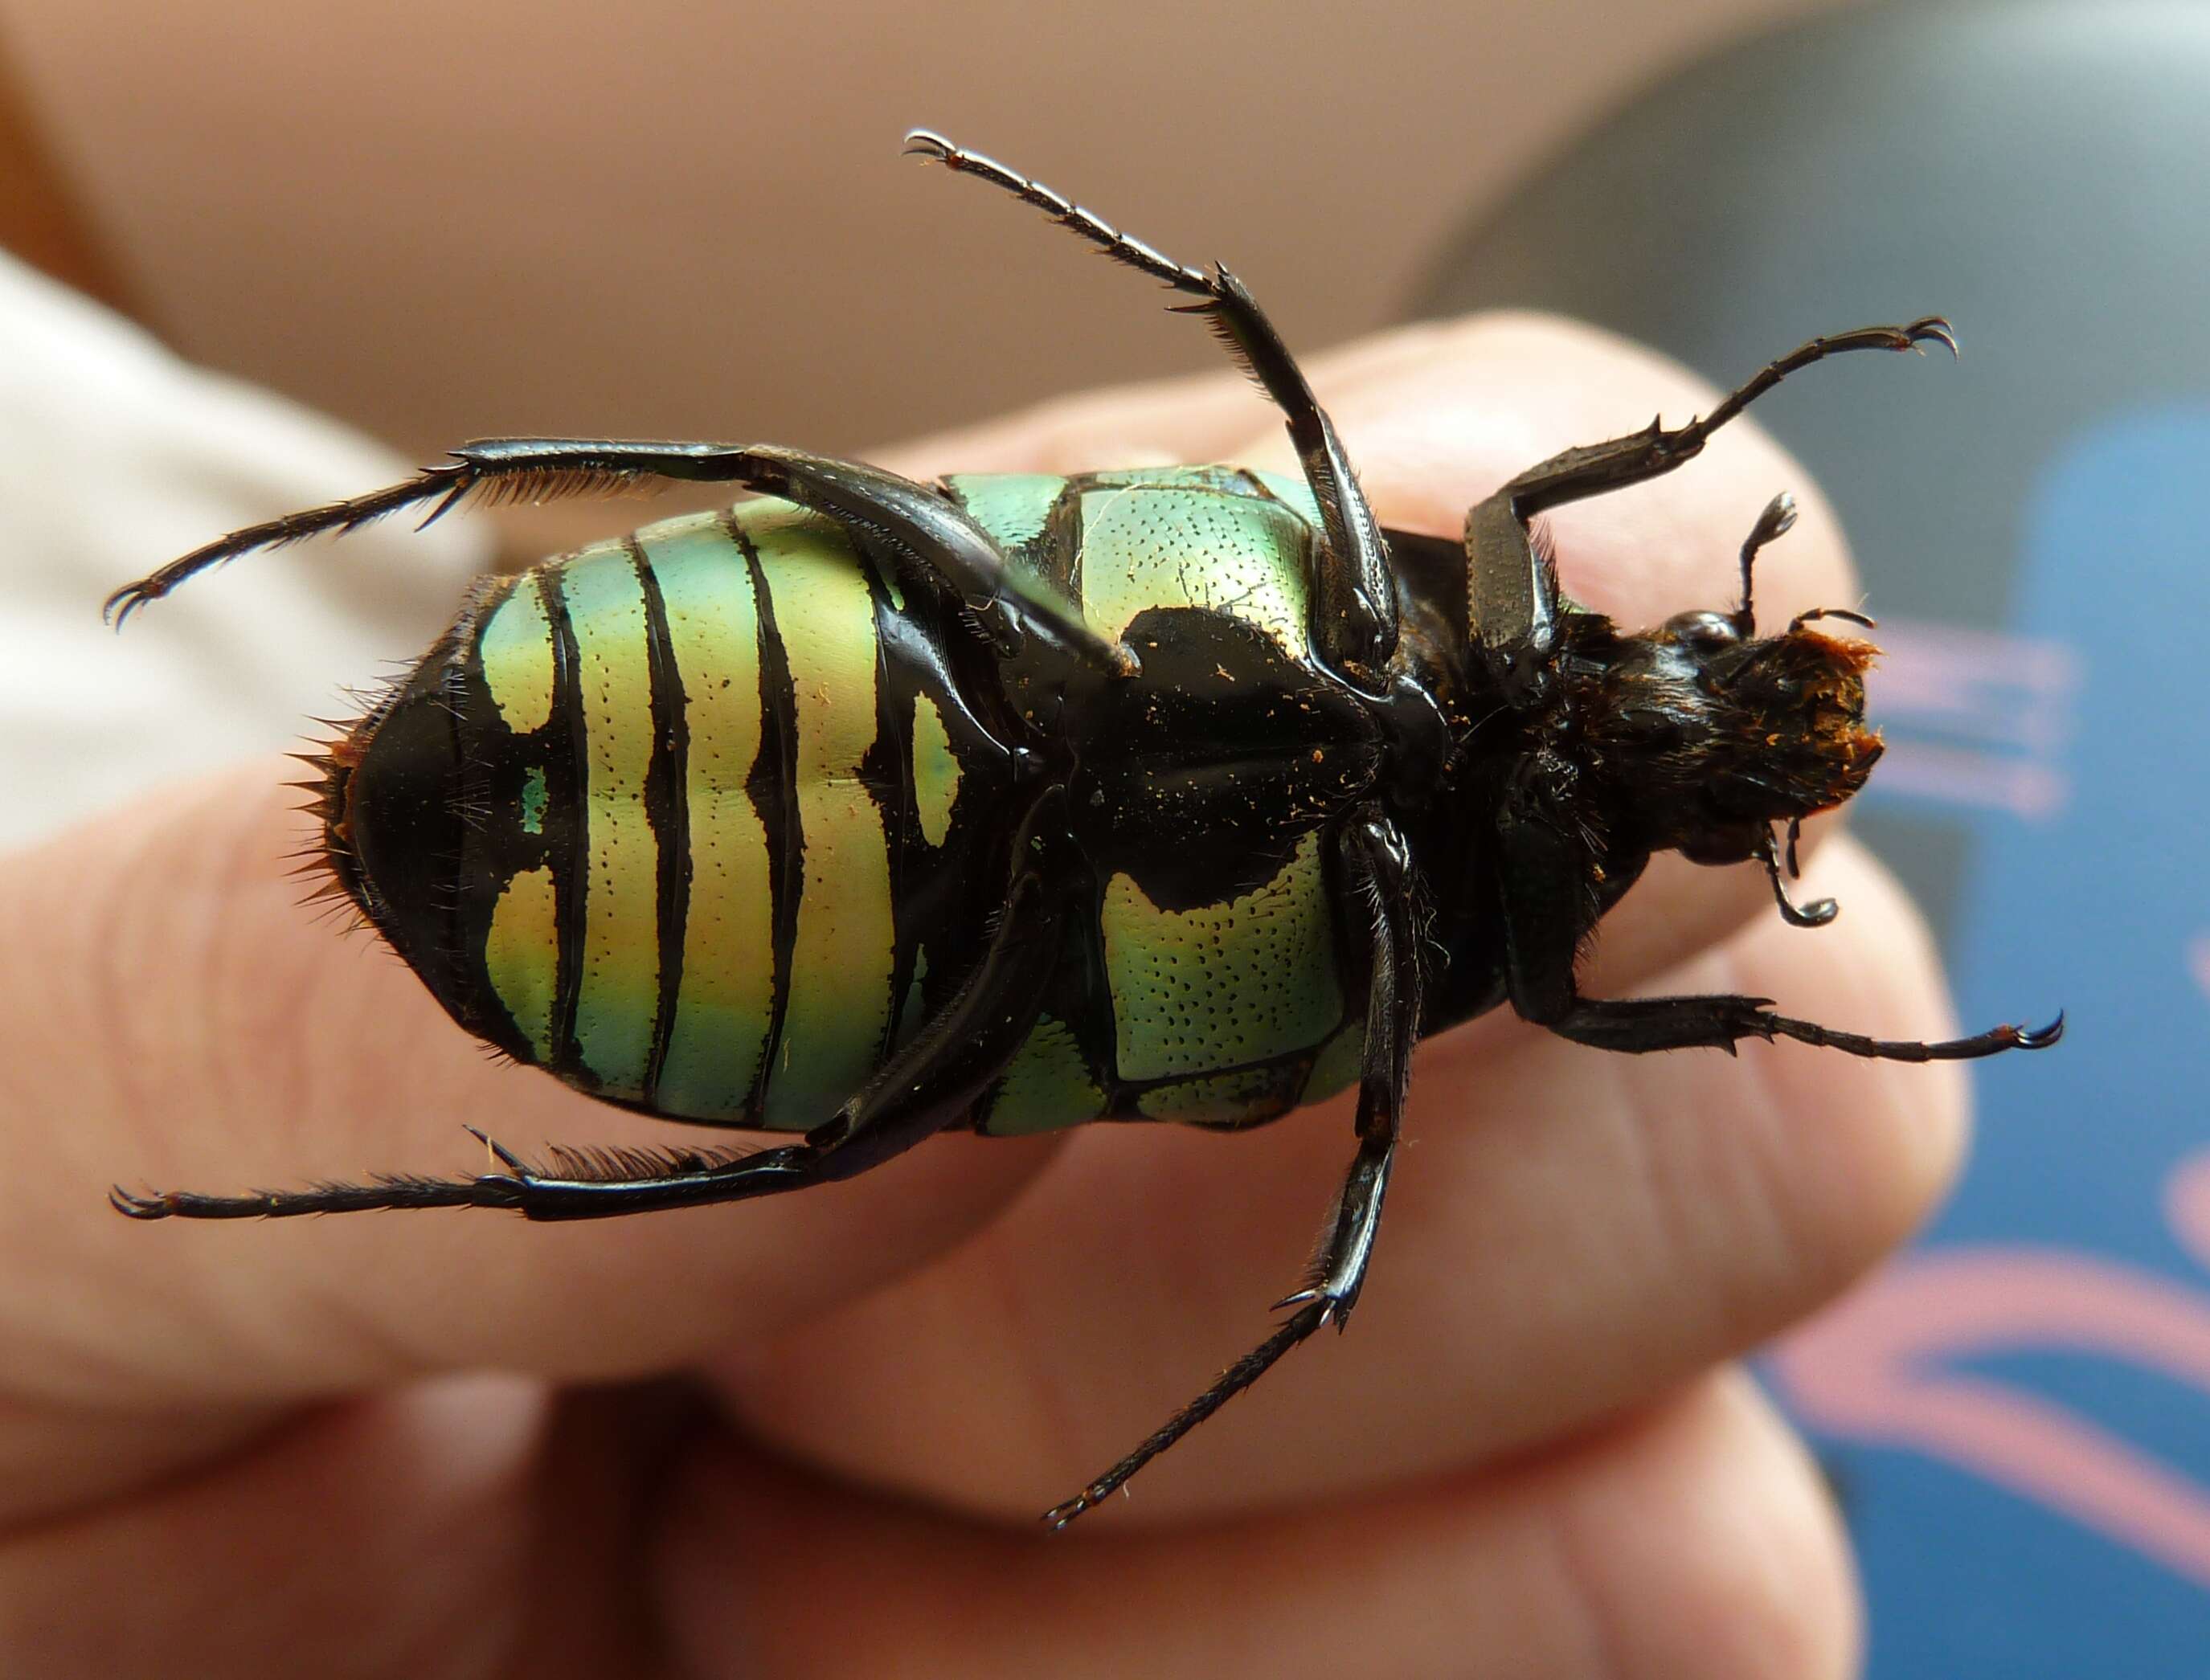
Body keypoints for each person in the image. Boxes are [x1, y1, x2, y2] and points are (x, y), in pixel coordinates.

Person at [0, 255, 1958, 1674]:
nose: (1685, 722)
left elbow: (1517, 1008)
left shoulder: (1497, 937)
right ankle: (348, 1106)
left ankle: (373, 1164)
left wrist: (1748, 1017)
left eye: (1718, 789)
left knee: (836, 1143)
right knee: (832, 1129)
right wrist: (1699, 427)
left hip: (827, 901)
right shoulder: (1476, 615)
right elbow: (1460, 493)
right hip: (710, 743)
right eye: (1713, 670)